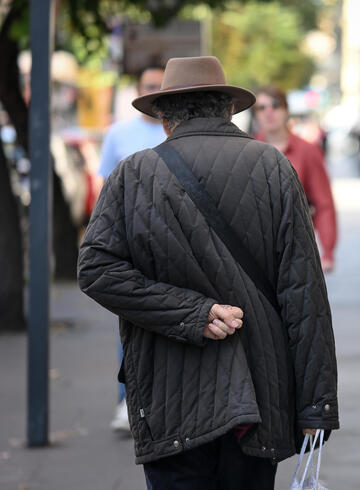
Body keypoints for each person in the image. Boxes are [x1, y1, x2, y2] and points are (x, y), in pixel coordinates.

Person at [78, 56, 339, 489]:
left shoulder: (133, 174)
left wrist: (191, 313)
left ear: (164, 119)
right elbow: (304, 293)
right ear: (228, 110)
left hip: (169, 393)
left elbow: (96, 269)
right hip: (260, 390)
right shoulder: (273, 167)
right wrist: (317, 405)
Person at [97, 65, 166, 434]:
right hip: (129, 241)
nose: (156, 93)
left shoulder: (176, 131)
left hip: (173, 244)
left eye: (161, 87)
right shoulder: (119, 134)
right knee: (131, 322)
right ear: (139, 91)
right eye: (150, 87)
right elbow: (103, 187)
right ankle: (128, 402)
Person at [254, 85, 337, 272]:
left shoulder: (308, 150)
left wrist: (328, 252)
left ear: (286, 110)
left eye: (275, 105)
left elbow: (324, 203)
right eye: (261, 107)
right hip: (258, 251)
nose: (269, 112)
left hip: (298, 249)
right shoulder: (245, 150)